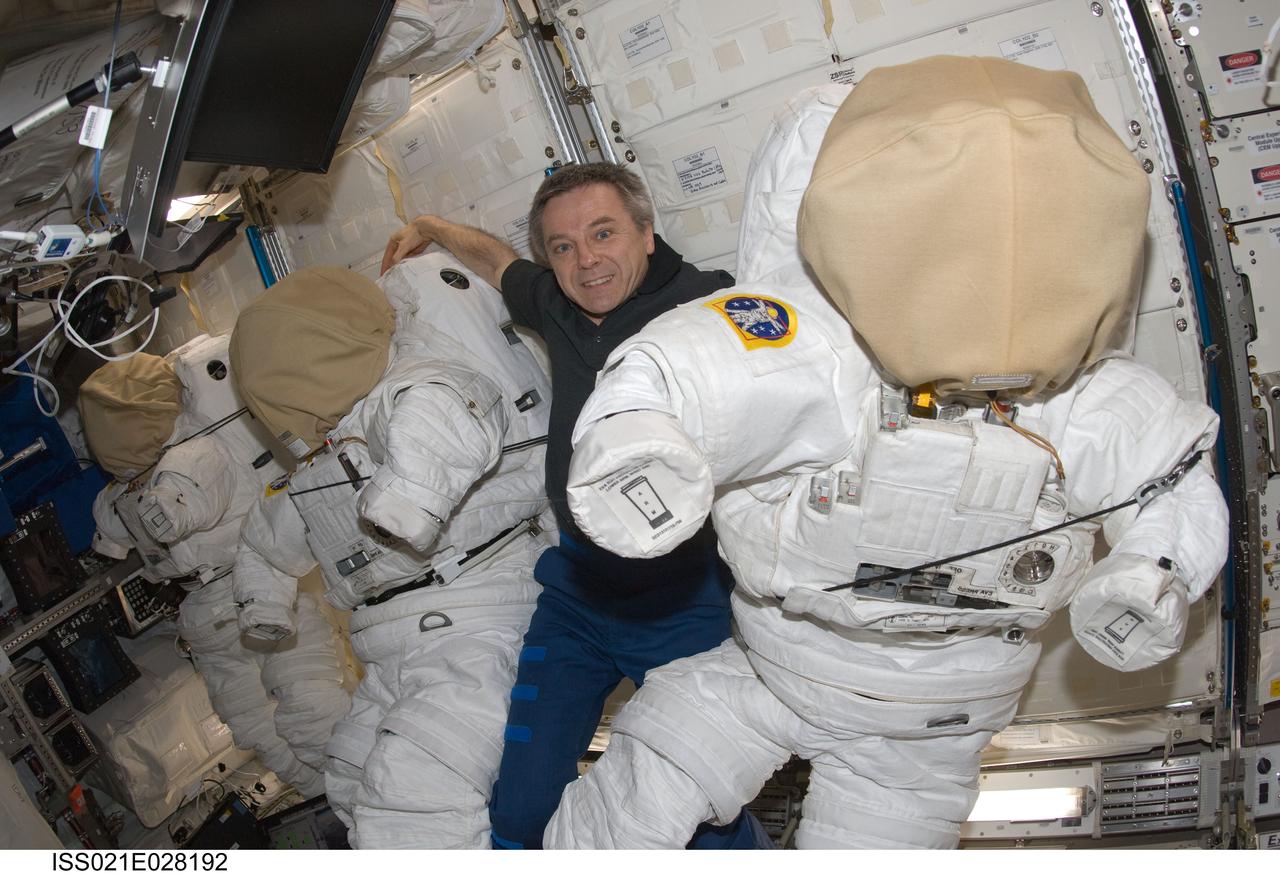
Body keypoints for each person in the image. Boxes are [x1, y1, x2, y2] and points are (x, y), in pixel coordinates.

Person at [542, 56, 1230, 848]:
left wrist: (1155, 571)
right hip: (786, 665)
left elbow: (1170, 478)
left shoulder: (1083, 389)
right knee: (627, 807)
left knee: (648, 797)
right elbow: (680, 374)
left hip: (923, 726)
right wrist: (638, 440)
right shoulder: (820, 343)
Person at [383, 163, 770, 849]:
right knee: (521, 812)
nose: (586, 259)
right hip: (577, 598)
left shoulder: (706, 308)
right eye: (562, 246)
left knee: (698, 816)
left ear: (647, 234)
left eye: (603, 233)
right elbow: (497, 259)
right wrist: (428, 227)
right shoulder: (558, 303)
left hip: (682, 603)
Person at [229, 257, 552, 847]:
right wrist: (264, 604)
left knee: (415, 801)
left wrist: (411, 496)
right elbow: (265, 540)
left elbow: (451, 415)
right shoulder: (315, 466)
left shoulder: (411, 386)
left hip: (474, 620)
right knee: (351, 778)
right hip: (391, 644)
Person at [81, 336, 351, 800]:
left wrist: (160, 509)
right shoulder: (126, 489)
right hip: (207, 615)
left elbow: (181, 502)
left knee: (308, 705)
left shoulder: (193, 458)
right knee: (253, 728)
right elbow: (111, 527)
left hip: (259, 589)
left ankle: (365, 792)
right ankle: (332, 800)